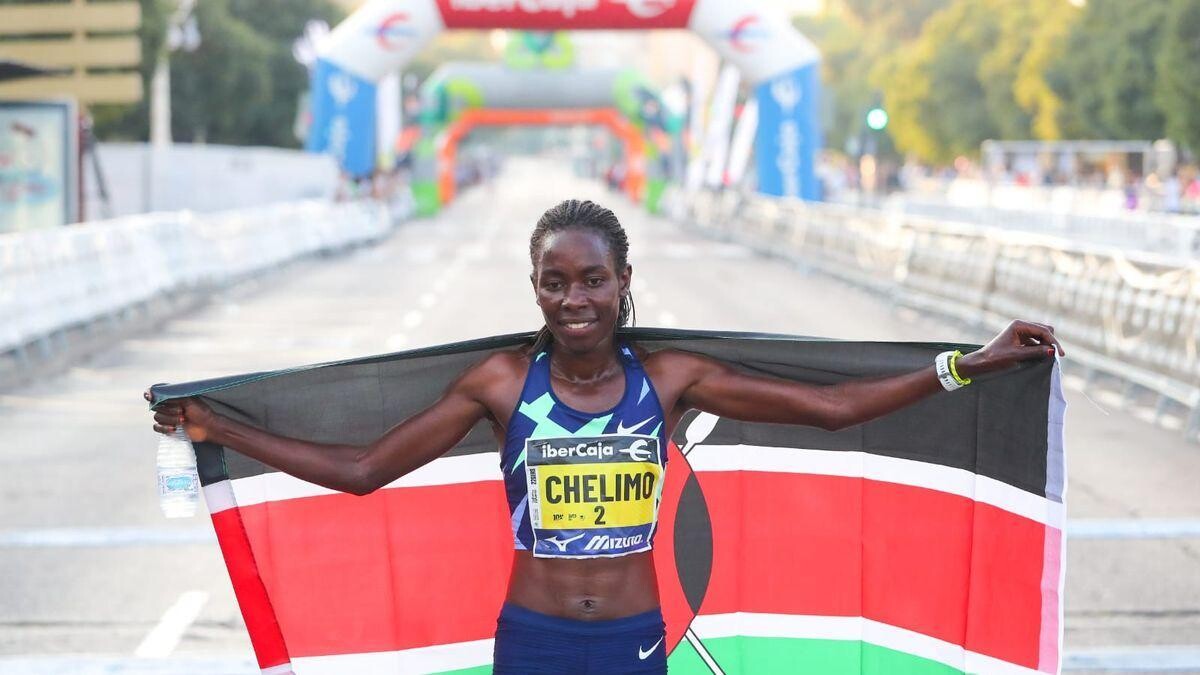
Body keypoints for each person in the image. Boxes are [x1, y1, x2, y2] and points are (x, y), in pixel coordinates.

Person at [144, 199, 1063, 674]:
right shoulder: (502, 382)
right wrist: (218, 424)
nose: (574, 299)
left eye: (592, 280)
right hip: (533, 640)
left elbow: (831, 408)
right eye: (555, 281)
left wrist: (968, 364)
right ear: (535, 287)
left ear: (624, 281)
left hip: (632, 639)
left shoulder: (670, 380)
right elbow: (362, 468)